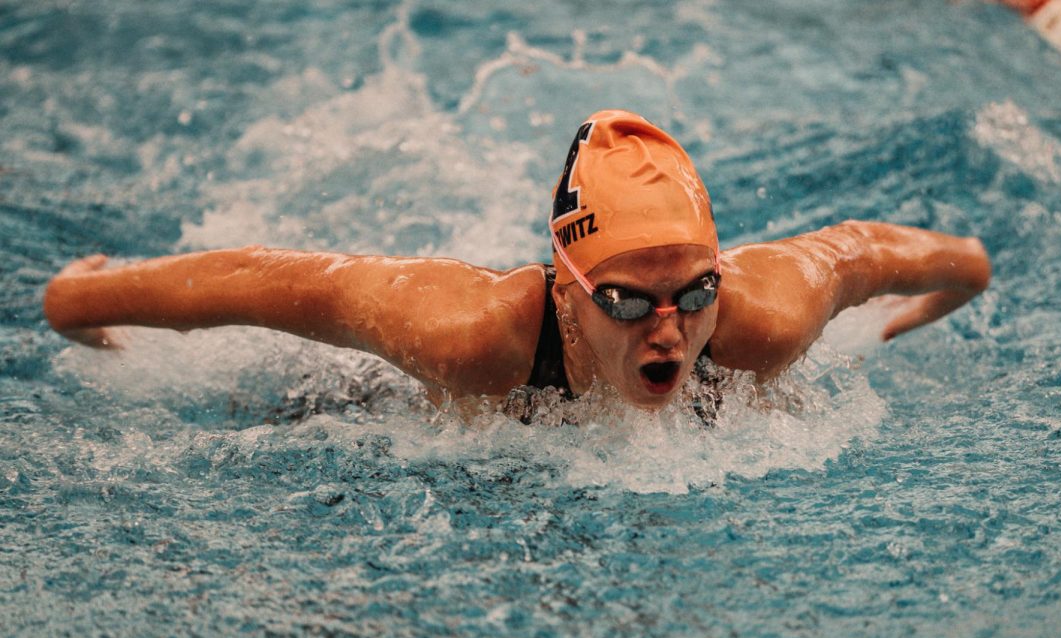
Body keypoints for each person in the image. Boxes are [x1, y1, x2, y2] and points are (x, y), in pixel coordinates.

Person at [43, 109, 991, 414]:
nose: (670, 326)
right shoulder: (467, 333)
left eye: (694, 291)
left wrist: (956, 287)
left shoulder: (763, 317)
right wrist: (80, 297)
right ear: (570, 290)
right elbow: (281, 284)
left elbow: (870, 251)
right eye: (627, 301)